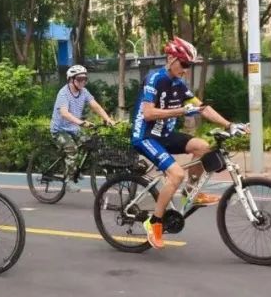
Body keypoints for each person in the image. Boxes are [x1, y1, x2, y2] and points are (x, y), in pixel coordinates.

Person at [131, 37, 248, 249]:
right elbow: (148, 113)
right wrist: (181, 111)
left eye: (189, 66)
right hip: (146, 136)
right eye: (184, 64)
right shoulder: (155, 79)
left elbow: (202, 108)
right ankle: (154, 223)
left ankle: (189, 192)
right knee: (176, 174)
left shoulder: (179, 85)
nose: (186, 70)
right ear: (171, 59)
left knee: (202, 147)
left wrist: (229, 125)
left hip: (165, 134)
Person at [49, 65, 116, 190]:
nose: (83, 82)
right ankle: (68, 181)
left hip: (74, 128)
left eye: (85, 79)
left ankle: (74, 169)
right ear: (71, 79)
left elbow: (95, 106)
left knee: (89, 142)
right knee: (72, 149)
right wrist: (81, 123)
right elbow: (64, 113)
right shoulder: (63, 93)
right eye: (79, 79)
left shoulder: (84, 91)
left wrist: (108, 119)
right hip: (60, 130)